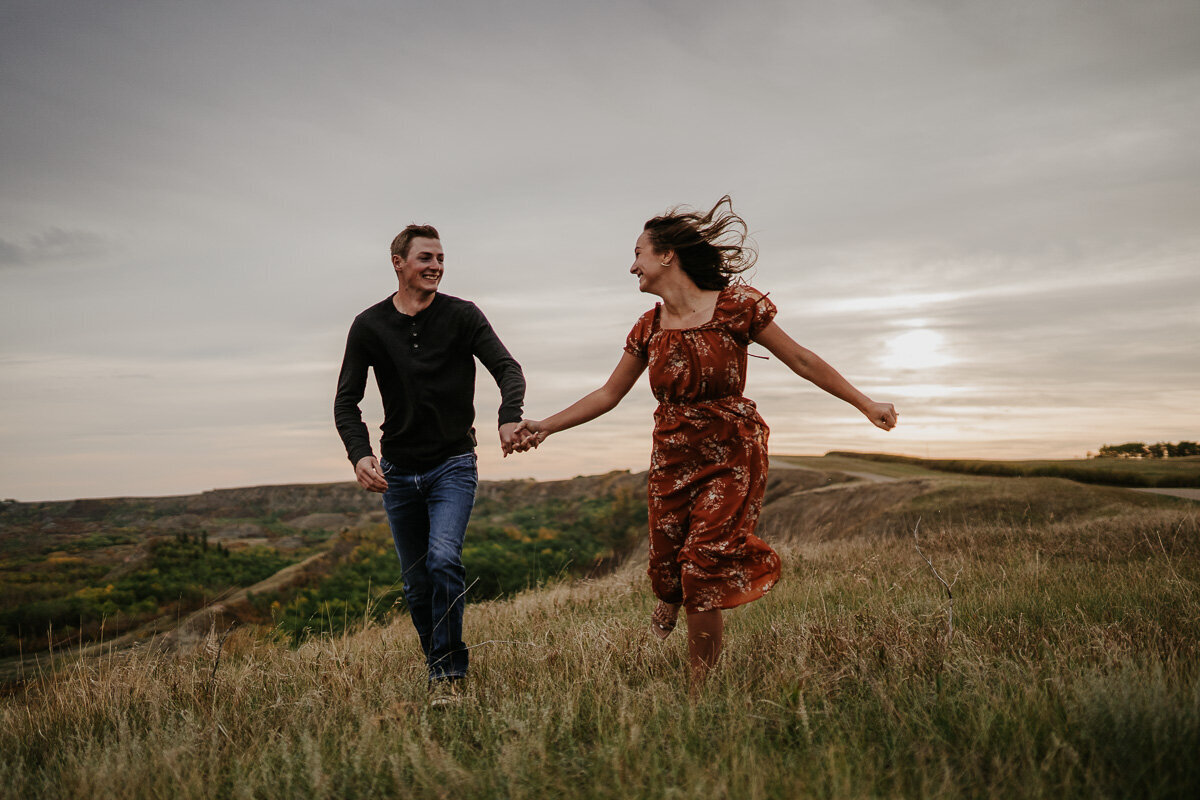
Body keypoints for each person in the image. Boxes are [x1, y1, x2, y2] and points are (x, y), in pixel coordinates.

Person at [516, 197, 897, 692]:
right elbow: (608, 394)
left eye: (639, 253)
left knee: (703, 562)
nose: (632, 265)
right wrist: (545, 425)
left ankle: (702, 690)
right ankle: (670, 593)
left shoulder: (737, 305)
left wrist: (865, 404)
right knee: (669, 559)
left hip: (731, 451)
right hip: (672, 454)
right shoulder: (648, 327)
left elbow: (801, 359)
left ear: (667, 255)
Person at [334, 223, 532, 702]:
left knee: (444, 560)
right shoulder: (370, 326)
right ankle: (438, 664)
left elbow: (507, 369)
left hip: (453, 464)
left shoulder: (463, 316)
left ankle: (448, 676)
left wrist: (509, 418)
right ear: (398, 262)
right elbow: (346, 401)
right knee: (416, 585)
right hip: (398, 473)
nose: (436, 267)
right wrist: (360, 455)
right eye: (426, 258)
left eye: (440, 258)